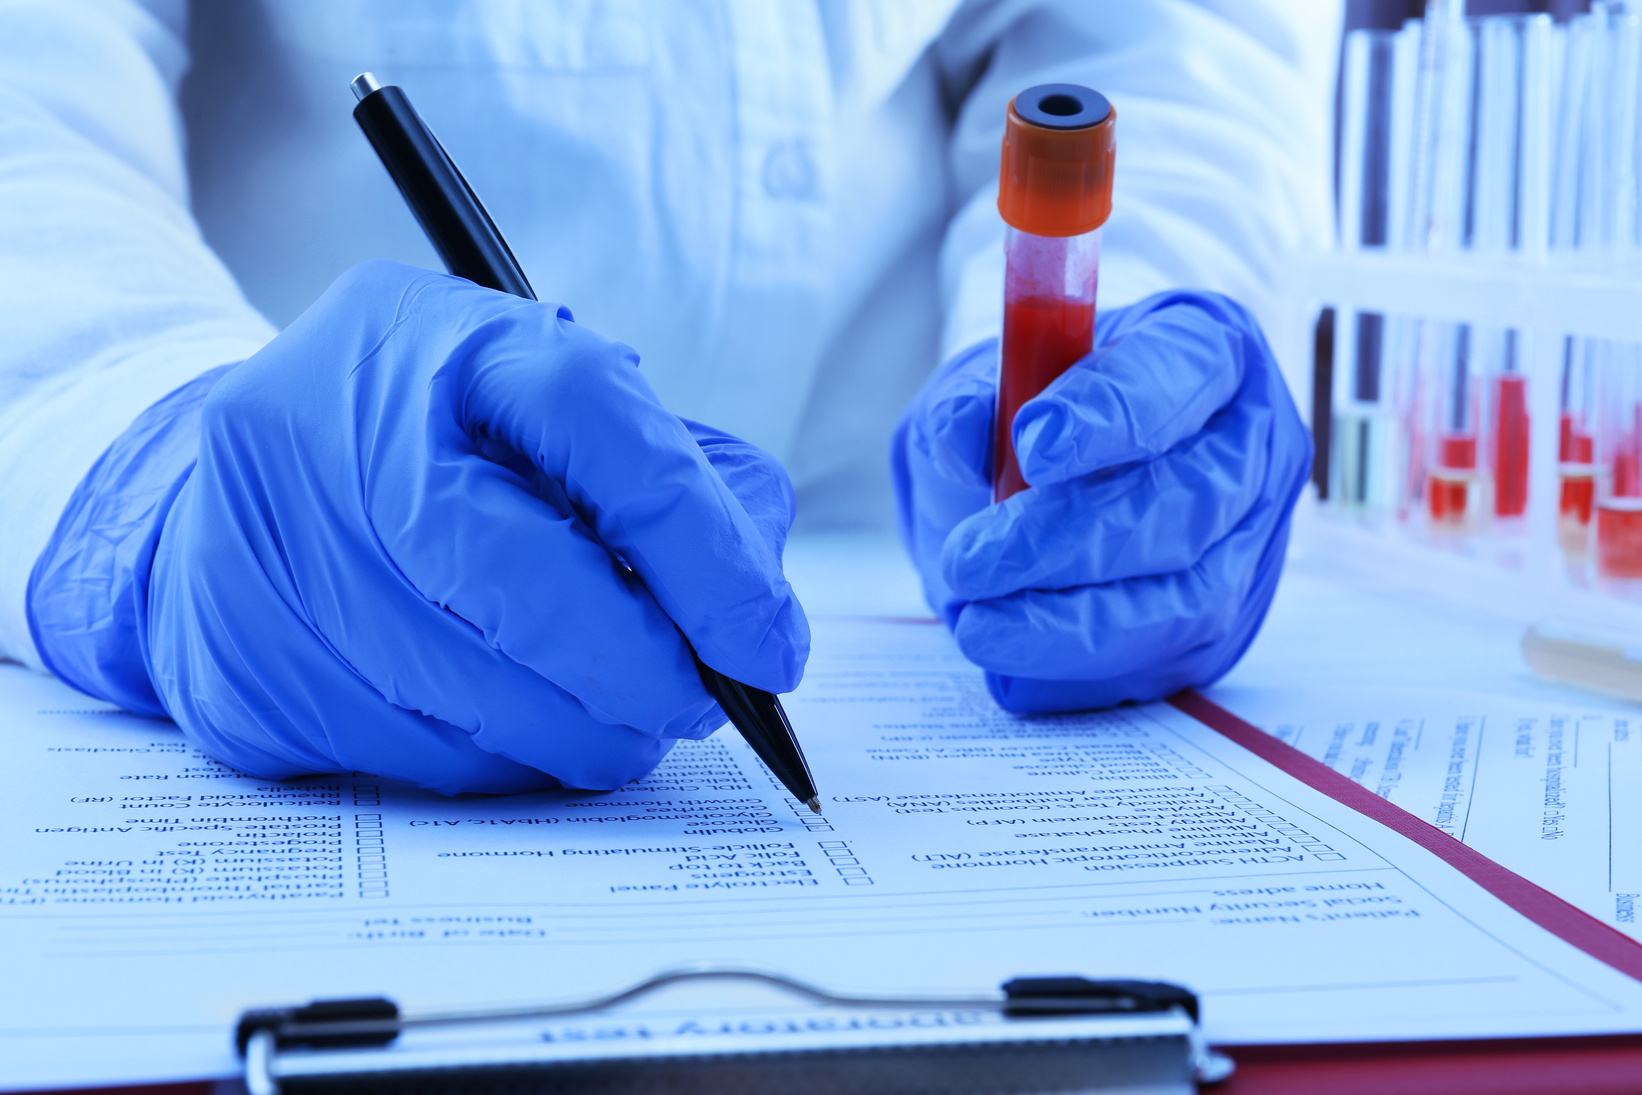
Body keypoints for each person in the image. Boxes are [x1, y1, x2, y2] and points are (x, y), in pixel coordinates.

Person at [0, 1, 1338, 794]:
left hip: (908, 573)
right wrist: (144, 479)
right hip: (311, 532)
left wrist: (1137, 334)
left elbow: (1160, 39)